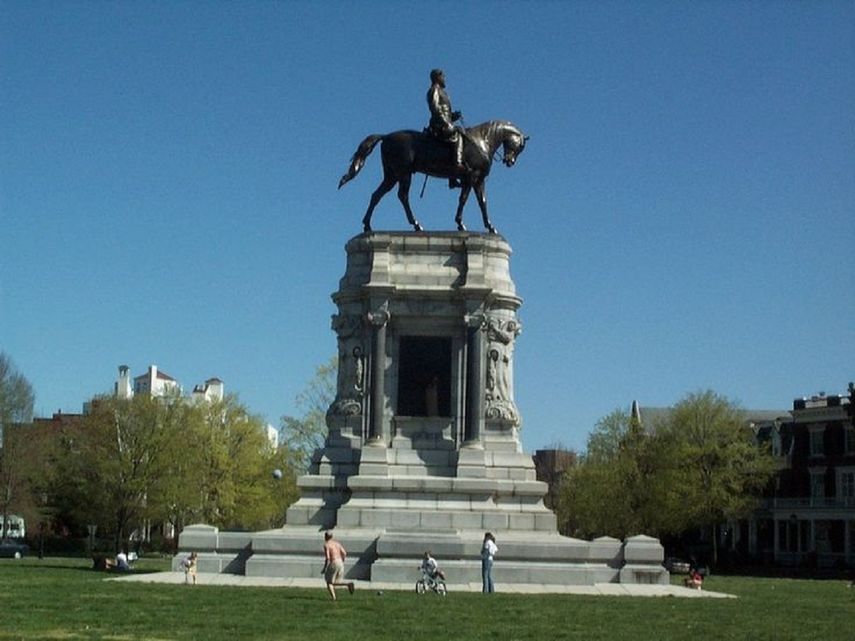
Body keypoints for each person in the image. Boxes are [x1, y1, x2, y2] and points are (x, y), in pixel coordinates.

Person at [426, 68, 466, 184]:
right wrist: (447, 122)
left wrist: (453, 116)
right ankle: (457, 165)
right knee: (458, 134)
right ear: (437, 77)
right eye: (442, 77)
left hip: (444, 123)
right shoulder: (434, 90)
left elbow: (445, 112)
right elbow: (435, 109)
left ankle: (452, 176)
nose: (444, 79)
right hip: (439, 125)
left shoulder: (443, 92)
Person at [322, 531, 354, 601]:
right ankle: (348, 584)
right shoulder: (337, 544)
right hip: (340, 562)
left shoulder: (327, 545)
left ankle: (333, 598)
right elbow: (344, 553)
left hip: (334, 562)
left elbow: (327, 557)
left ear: (326, 537)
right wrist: (342, 560)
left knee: (329, 582)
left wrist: (325, 568)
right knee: (336, 582)